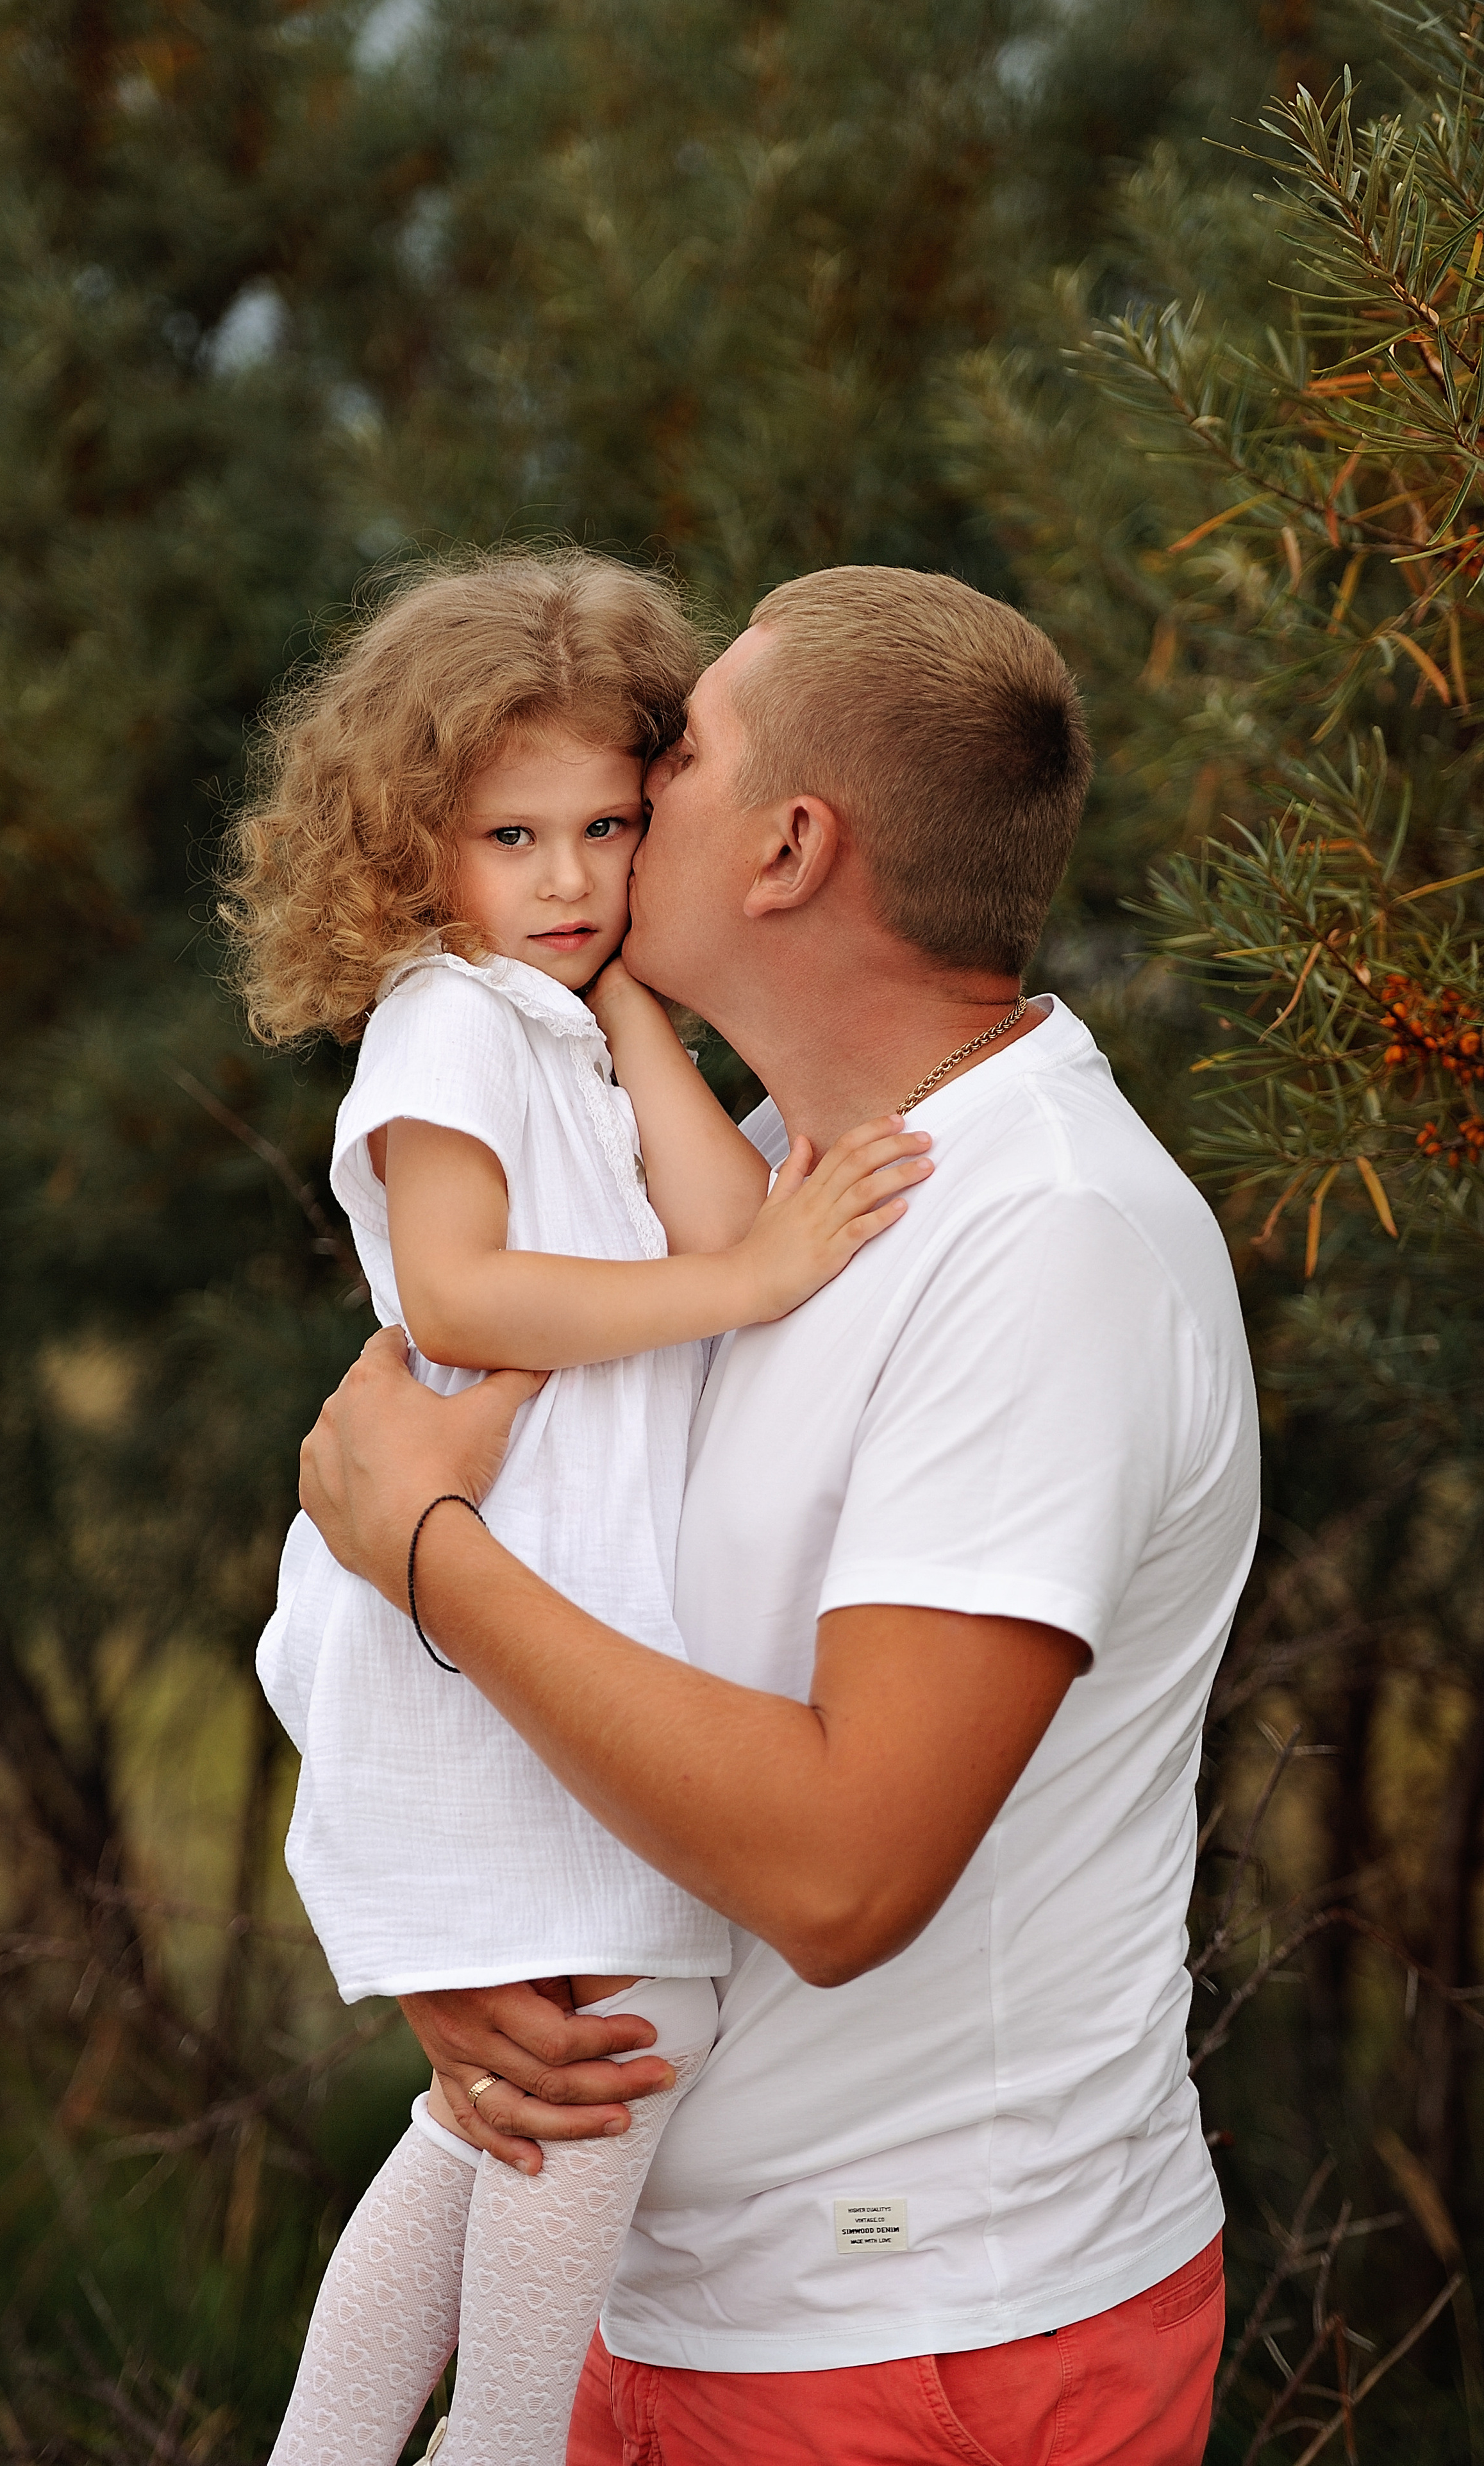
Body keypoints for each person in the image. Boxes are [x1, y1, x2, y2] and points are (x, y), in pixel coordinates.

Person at [297, 564, 1262, 2466]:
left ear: (790, 846)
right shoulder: (757, 1178)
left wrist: (427, 1558)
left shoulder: (1043, 1246)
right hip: (667, 2290)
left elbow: (838, 1874)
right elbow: (579, 1563)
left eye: (681, 754)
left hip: (920, 2346)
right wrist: (487, 1948)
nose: (633, 784)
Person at [220, 548, 932, 2466]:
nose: (566, 880)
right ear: (411, 849)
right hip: (485, 1597)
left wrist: (632, 1019)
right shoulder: (447, 1021)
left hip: (542, 1596)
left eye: (607, 828)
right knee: (611, 2058)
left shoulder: (559, 1020)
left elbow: (721, 1214)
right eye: (509, 837)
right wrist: (747, 1286)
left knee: (506, 2106)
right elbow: (459, 1291)